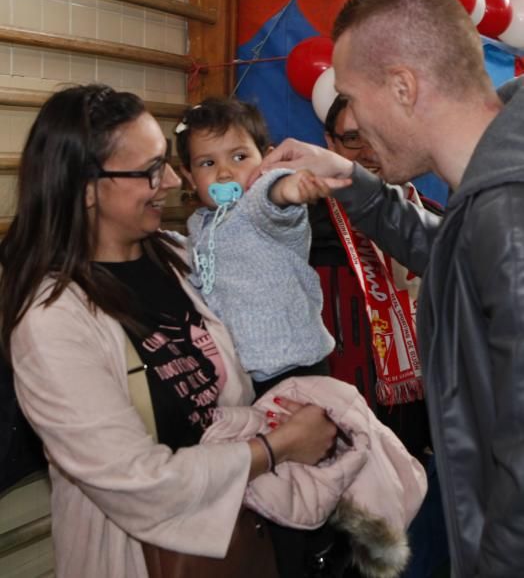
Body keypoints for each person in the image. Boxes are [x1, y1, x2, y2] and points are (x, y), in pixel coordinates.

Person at [0, 84, 338, 578]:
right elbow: (135, 481)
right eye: (150, 170)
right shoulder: (53, 321)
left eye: (167, 163)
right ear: (87, 187)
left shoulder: (184, 258)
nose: (173, 182)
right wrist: (276, 449)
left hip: (246, 540)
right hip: (144, 559)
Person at [253, 0, 524, 577]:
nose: (351, 119)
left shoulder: (508, 209)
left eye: (351, 95)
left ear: (402, 86)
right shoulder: (490, 191)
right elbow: (448, 254)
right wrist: (347, 178)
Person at [309, 94, 448, 577]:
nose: (367, 149)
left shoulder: (435, 220)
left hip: (428, 433)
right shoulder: (305, 223)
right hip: (341, 439)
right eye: (352, 137)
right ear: (330, 144)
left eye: (378, 135)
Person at [174, 98, 349, 397]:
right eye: (207, 163)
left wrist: (286, 188)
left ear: (268, 159)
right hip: (239, 371)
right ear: (189, 176)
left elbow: (271, 201)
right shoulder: (199, 222)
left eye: (239, 157)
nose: (225, 173)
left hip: (293, 364)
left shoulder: (258, 208)